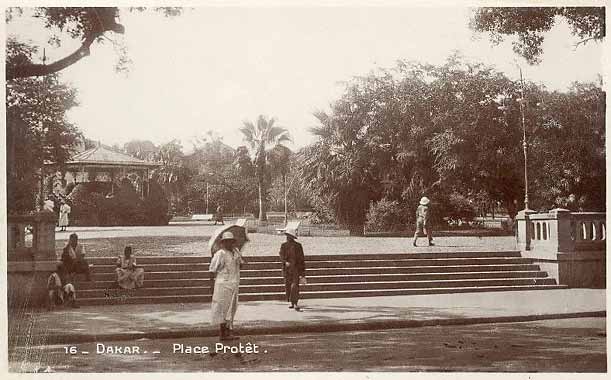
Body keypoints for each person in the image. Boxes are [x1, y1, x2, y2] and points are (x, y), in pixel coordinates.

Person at [209, 231, 244, 341]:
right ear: (223, 243)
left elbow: (240, 266)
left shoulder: (235, 252)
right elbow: (212, 269)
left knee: (231, 309)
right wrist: (211, 285)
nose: (229, 244)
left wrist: (239, 258)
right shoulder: (220, 254)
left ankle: (229, 331)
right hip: (223, 284)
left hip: (234, 284)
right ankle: (222, 332)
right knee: (222, 309)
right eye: (227, 242)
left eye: (231, 242)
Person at [279, 228, 306, 311]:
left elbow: (301, 259)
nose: (287, 238)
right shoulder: (284, 245)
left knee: (295, 286)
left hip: (296, 269)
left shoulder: (298, 246)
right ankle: (291, 302)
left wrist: (302, 273)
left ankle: (295, 302)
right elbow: (281, 256)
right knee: (288, 286)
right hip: (287, 269)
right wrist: (285, 262)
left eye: (289, 236)